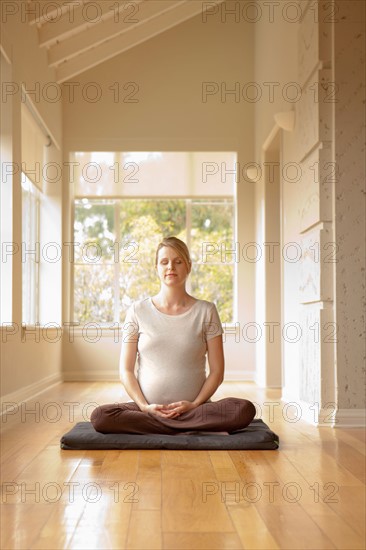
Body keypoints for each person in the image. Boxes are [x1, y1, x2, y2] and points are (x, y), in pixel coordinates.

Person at [91, 237, 256, 435]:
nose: (171, 267)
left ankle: (163, 426)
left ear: (189, 266)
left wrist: (194, 404)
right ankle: (183, 427)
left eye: (178, 261)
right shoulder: (137, 311)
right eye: (164, 262)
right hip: (147, 410)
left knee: (243, 409)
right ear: (156, 267)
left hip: (195, 410)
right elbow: (125, 370)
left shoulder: (207, 311)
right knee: (101, 416)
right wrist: (144, 407)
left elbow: (217, 372)